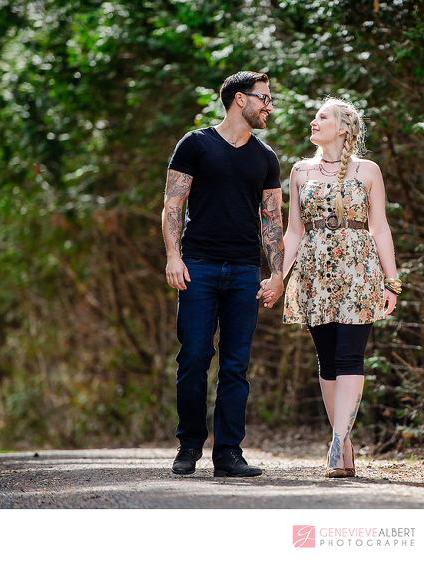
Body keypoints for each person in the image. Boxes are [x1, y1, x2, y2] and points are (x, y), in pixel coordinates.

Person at [161, 71, 284, 477]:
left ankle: (229, 453)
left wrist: (277, 273)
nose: (269, 106)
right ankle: (189, 445)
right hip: (198, 266)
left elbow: (272, 219)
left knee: (236, 365)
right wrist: (173, 256)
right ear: (238, 99)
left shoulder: (266, 157)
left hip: (246, 271)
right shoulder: (195, 144)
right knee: (194, 357)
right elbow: (173, 204)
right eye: (263, 98)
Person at [278, 97, 401, 478]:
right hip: (315, 273)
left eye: (322, 117)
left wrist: (392, 281)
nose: (313, 122)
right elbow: (294, 232)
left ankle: (335, 442)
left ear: (343, 128)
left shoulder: (368, 171)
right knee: (327, 361)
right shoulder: (300, 171)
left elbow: (379, 227)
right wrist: (275, 278)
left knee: (350, 356)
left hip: (359, 270)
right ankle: (344, 444)